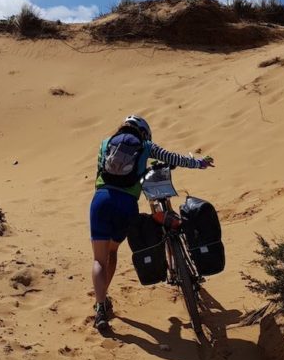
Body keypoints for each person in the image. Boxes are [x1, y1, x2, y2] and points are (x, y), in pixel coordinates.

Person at [90, 114, 213, 333]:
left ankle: (100, 307)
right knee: (112, 253)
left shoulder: (105, 143)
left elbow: (100, 171)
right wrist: (199, 163)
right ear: (144, 132)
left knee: (99, 259)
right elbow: (173, 158)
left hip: (101, 201)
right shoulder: (146, 146)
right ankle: (103, 299)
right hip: (127, 204)